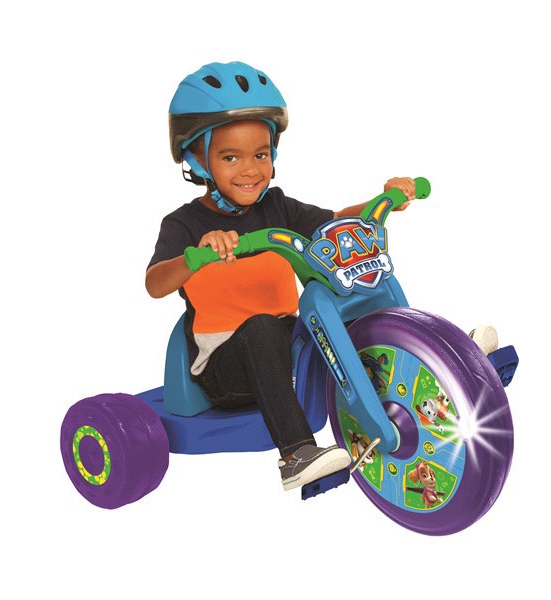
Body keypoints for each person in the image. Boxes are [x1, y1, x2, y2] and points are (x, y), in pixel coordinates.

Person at [146, 61, 418, 491]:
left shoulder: (277, 206)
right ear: (197, 160)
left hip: (284, 346)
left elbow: (333, 221)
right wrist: (195, 258)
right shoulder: (185, 225)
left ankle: (436, 361)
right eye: (230, 157)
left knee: (339, 301)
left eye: (260, 154)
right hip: (224, 368)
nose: (250, 170)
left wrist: (381, 201)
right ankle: (296, 454)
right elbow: (155, 283)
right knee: (262, 328)